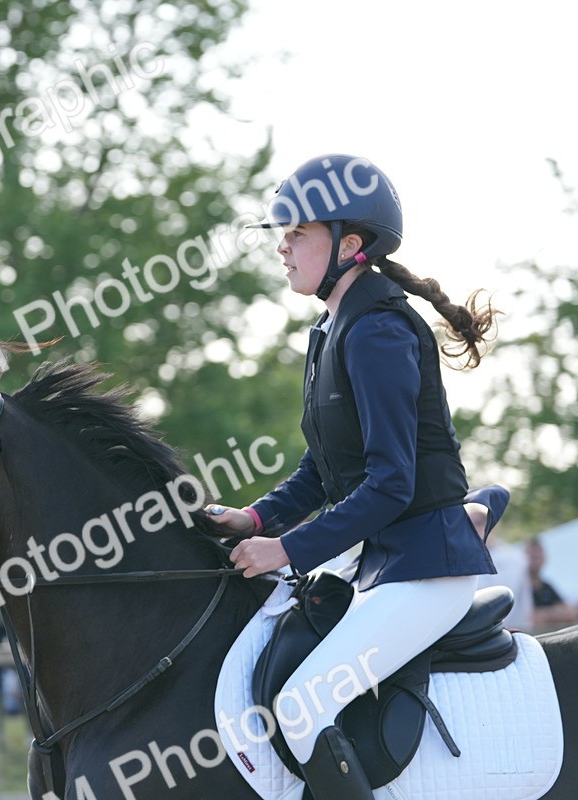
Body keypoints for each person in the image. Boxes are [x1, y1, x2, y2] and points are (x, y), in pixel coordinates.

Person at [206, 155, 500, 799]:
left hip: (427, 565)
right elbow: (323, 468)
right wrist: (255, 519)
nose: (281, 246)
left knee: (303, 708)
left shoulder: (379, 331)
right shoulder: (331, 328)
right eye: (282, 234)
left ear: (351, 244)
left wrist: (285, 549)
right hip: (381, 561)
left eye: (297, 234)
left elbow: (392, 484)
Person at [473, 499, 534, 630]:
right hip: (475, 635)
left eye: (479, 521)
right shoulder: (459, 561)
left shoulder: (517, 560)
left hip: (510, 633)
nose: (474, 527)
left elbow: (524, 605)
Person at [526, 537, 578, 629]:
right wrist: (554, 613)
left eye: (538, 555)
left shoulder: (546, 587)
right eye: (532, 556)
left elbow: (569, 613)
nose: (535, 559)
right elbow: (529, 618)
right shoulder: (519, 588)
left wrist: (545, 614)